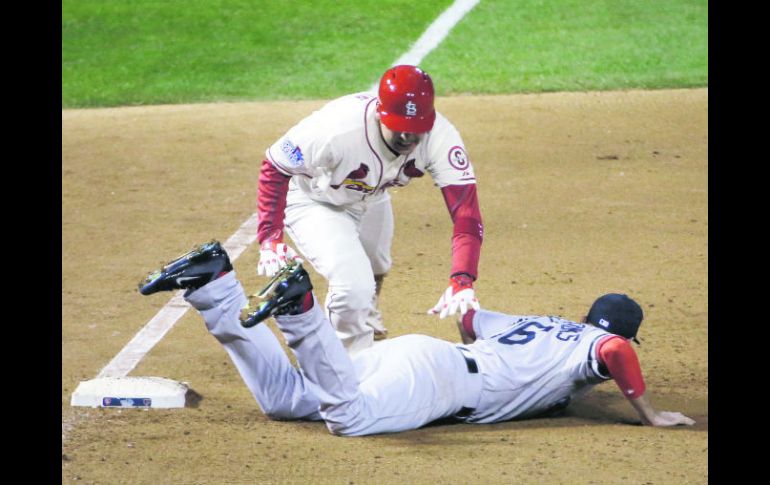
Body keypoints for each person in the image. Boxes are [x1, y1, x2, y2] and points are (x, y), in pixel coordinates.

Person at [139, 241, 695, 436]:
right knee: (347, 420)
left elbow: (472, 321)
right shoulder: (589, 352)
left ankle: (215, 283)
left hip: (412, 354)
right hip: (438, 383)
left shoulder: (543, 325)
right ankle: (302, 310)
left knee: (287, 402)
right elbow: (614, 351)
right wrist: (648, 412)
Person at [255, 64, 484, 353]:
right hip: (314, 202)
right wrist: (270, 236)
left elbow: (466, 213)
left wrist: (462, 278)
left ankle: (363, 314)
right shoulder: (335, 129)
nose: (407, 138)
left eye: (416, 130)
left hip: (369, 196)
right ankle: (347, 370)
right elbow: (275, 166)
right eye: (399, 127)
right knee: (353, 288)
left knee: (377, 265)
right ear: (380, 113)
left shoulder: (441, 137)